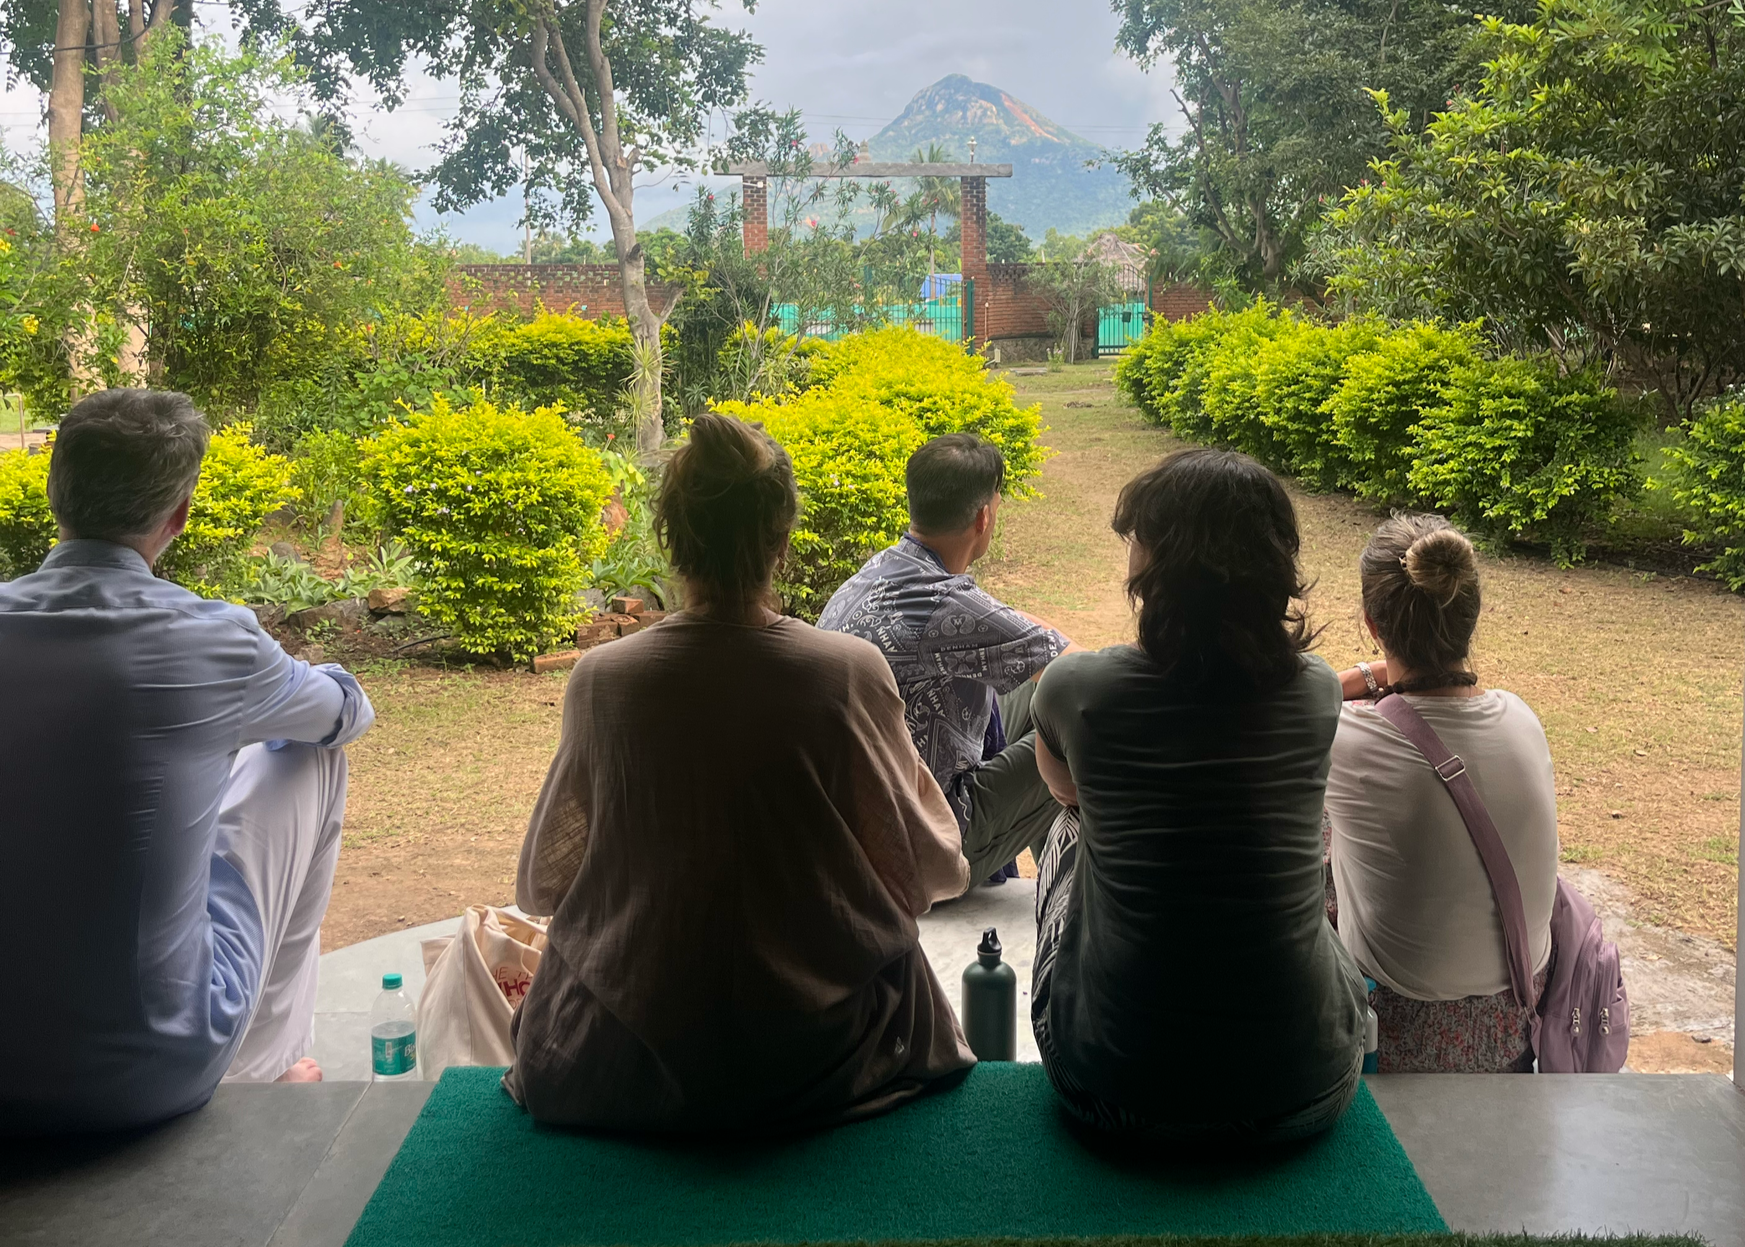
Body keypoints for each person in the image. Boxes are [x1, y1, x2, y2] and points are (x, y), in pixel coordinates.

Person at [507, 410, 972, 1132]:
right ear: (781, 541)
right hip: (828, 1056)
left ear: (669, 536)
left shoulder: (604, 679)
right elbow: (930, 867)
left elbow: (545, 881)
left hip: (619, 1058)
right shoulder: (843, 673)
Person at [0, 390, 374, 1133]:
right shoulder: (215, 639)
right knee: (306, 757)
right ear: (178, 515)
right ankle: (267, 1066)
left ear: (53, 493)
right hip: (144, 1077)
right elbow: (345, 717)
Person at [1028, 447, 1367, 1143]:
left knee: (1069, 829)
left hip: (1111, 1093)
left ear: (1153, 563)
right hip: (1307, 1090)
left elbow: (1065, 793)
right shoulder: (1318, 690)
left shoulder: (1075, 687)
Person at [1324, 515, 1558, 1073]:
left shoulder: (1344, 739)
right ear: (1471, 617)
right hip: (1518, 1020)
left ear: (1371, 623)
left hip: (1396, 1035)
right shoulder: (1522, 719)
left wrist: (1360, 675)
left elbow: (1275, 714)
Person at [819, 433, 1069, 887]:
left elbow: (1015, 629)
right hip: (924, 844)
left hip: (861, 825)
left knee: (1041, 696)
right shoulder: (944, 602)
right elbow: (1083, 678)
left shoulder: (876, 574)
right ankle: (1065, 885)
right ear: (984, 517)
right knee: (1074, 724)